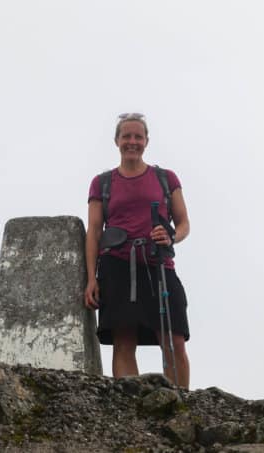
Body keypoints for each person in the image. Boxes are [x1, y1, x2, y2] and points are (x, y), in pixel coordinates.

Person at [84, 113, 191, 388]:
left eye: (138, 137)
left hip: (158, 263)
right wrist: (91, 279)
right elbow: (94, 231)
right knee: (123, 339)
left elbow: (183, 223)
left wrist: (170, 236)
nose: (132, 142)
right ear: (117, 141)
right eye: (126, 136)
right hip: (117, 264)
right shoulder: (102, 183)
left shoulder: (166, 178)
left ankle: (181, 404)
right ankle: (130, 407)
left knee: (173, 337)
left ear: (146, 141)